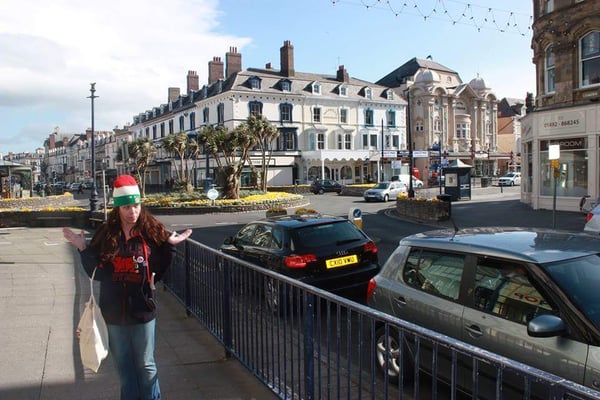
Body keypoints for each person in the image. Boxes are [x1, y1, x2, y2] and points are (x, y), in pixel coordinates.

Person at [63, 174, 192, 400]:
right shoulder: (107, 234)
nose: (133, 212)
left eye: (136, 206)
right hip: (113, 314)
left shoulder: (152, 232)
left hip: (143, 310)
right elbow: (98, 273)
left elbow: (158, 273)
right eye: (127, 208)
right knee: (124, 368)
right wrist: (83, 248)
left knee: (146, 365)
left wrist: (170, 247)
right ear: (118, 209)